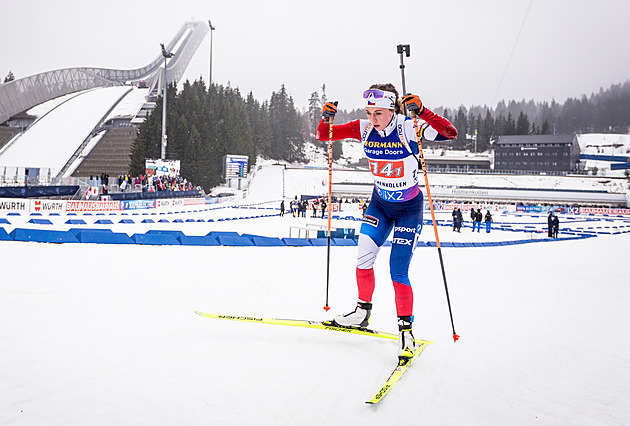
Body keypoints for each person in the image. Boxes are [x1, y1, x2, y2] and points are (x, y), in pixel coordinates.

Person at [316, 83, 457, 358]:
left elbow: (450, 133)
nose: (373, 119)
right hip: (379, 205)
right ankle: (361, 312)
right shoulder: (363, 128)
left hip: (408, 210)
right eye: (369, 112)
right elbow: (325, 136)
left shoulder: (408, 127)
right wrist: (326, 118)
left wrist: (423, 111)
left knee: (397, 271)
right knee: (363, 258)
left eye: (378, 113)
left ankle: (406, 332)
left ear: (393, 109)